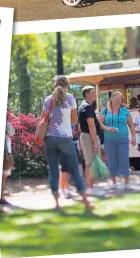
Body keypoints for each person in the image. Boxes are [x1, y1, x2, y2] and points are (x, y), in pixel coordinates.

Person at [42, 75, 92, 210]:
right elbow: (75, 121)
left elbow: (43, 120)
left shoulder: (48, 100)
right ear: (67, 85)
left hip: (50, 139)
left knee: (53, 170)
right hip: (65, 138)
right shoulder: (70, 98)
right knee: (74, 169)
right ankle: (86, 201)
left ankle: (57, 204)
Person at [99, 91, 136, 188]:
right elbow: (98, 123)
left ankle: (126, 183)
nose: (120, 100)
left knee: (124, 160)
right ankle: (114, 183)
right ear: (112, 100)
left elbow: (131, 125)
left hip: (123, 140)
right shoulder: (105, 111)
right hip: (109, 140)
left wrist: (134, 137)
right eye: (118, 98)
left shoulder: (125, 111)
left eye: (121, 99)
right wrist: (107, 128)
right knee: (111, 161)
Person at [78, 86, 105, 196]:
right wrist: (95, 142)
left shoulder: (85, 106)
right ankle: (90, 188)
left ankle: (92, 186)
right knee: (90, 163)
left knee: (91, 163)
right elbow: (91, 126)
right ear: (87, 94)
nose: (95, 94)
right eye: (93, 92)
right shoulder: (87, 107)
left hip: (88, 137)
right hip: (89, 137)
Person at [0, 118, 15, 209]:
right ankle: (1, 198)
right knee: (2, 176)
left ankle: (1, 197)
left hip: (6, 151)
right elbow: (12, 132)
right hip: (5, 153)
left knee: (3, 176)